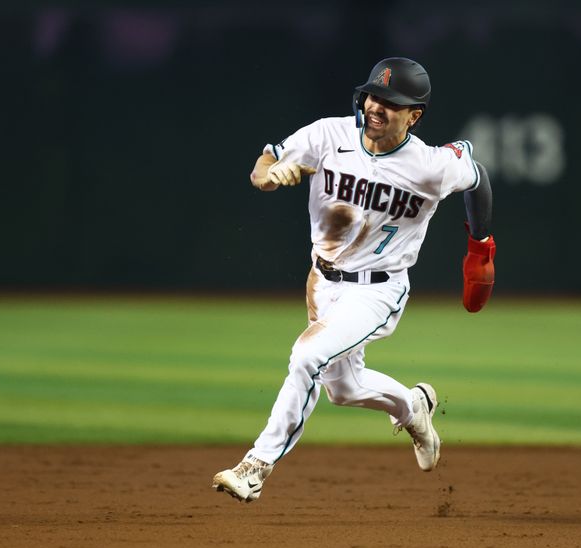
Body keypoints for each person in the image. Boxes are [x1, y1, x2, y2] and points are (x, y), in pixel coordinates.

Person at [213, 57, 496, 503]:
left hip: (378, 289)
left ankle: (256, 465)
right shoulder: (328, 134)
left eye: (390, 102)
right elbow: (262, 167)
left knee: (307, 355)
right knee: (343, 389)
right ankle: (414, 408)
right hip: (322, 282)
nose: (376, 106)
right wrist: (272, 175)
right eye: (372, 95)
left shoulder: (430, 166)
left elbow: (477, 179)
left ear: (413, 115)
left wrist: (481, 246)